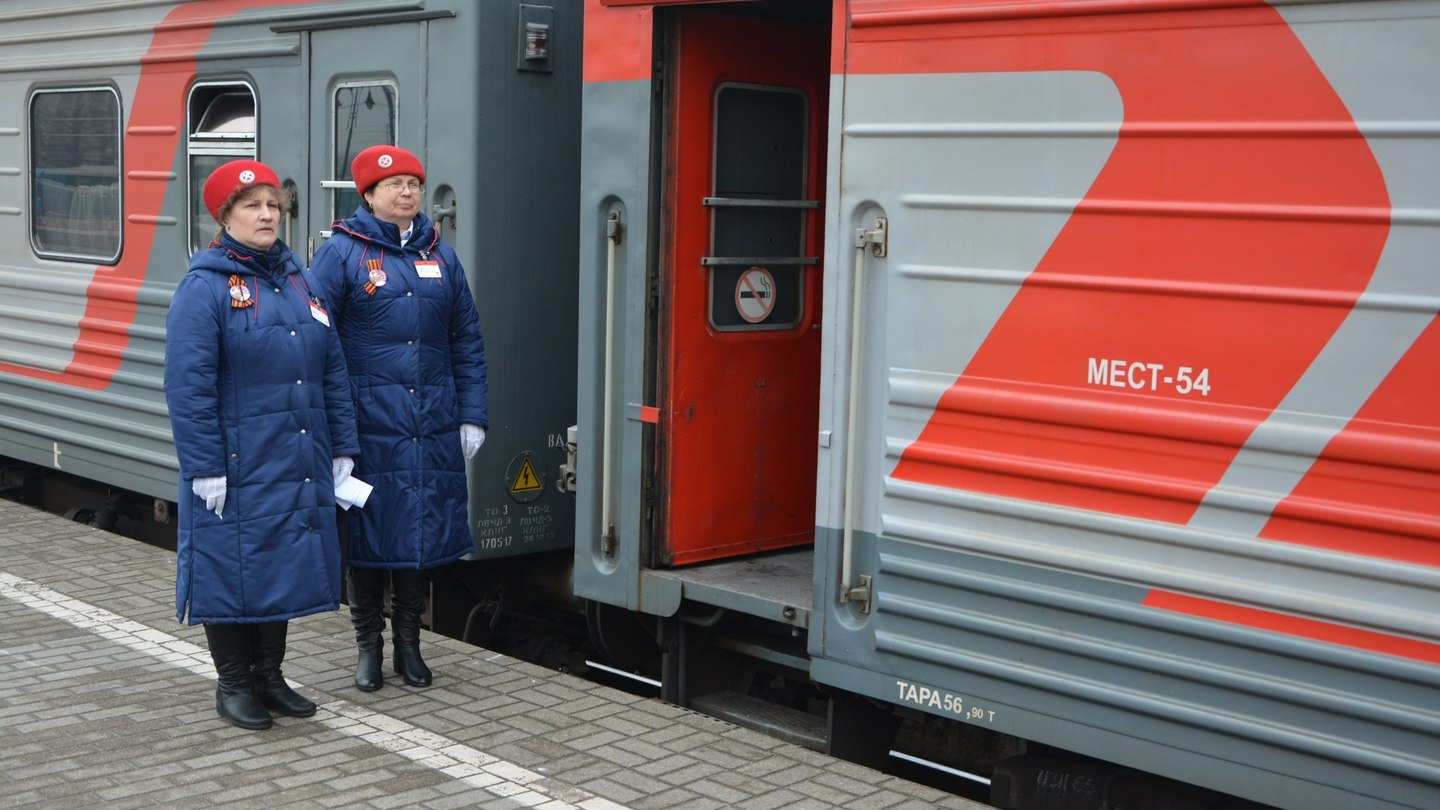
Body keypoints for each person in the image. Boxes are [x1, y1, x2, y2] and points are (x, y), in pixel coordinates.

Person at [164, 160, 359, 730]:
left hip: (295, 453)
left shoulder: (300, 279)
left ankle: (271, 675)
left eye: (273, 204)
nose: (267, 214)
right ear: (225, 217)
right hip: (234, 459)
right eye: (252, 205)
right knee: (230, 565)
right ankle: (234, 683)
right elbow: (188, 384)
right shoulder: (204, 287)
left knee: (281, 563)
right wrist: (203, 464)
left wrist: (342, 447)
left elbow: (333, 369)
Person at [310, 144, 489, 692]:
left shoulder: (443, 256)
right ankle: (369, 646)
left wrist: (472, 414)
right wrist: (333, 429)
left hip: (431, 422)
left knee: (418, 535)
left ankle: (410, 645)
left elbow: (467, 341)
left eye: (413, 183)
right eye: (394, 185)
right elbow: (317, 342)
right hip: (368, 425)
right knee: (369, 537)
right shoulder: (341, 254)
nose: (407, 192)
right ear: (367, 194)